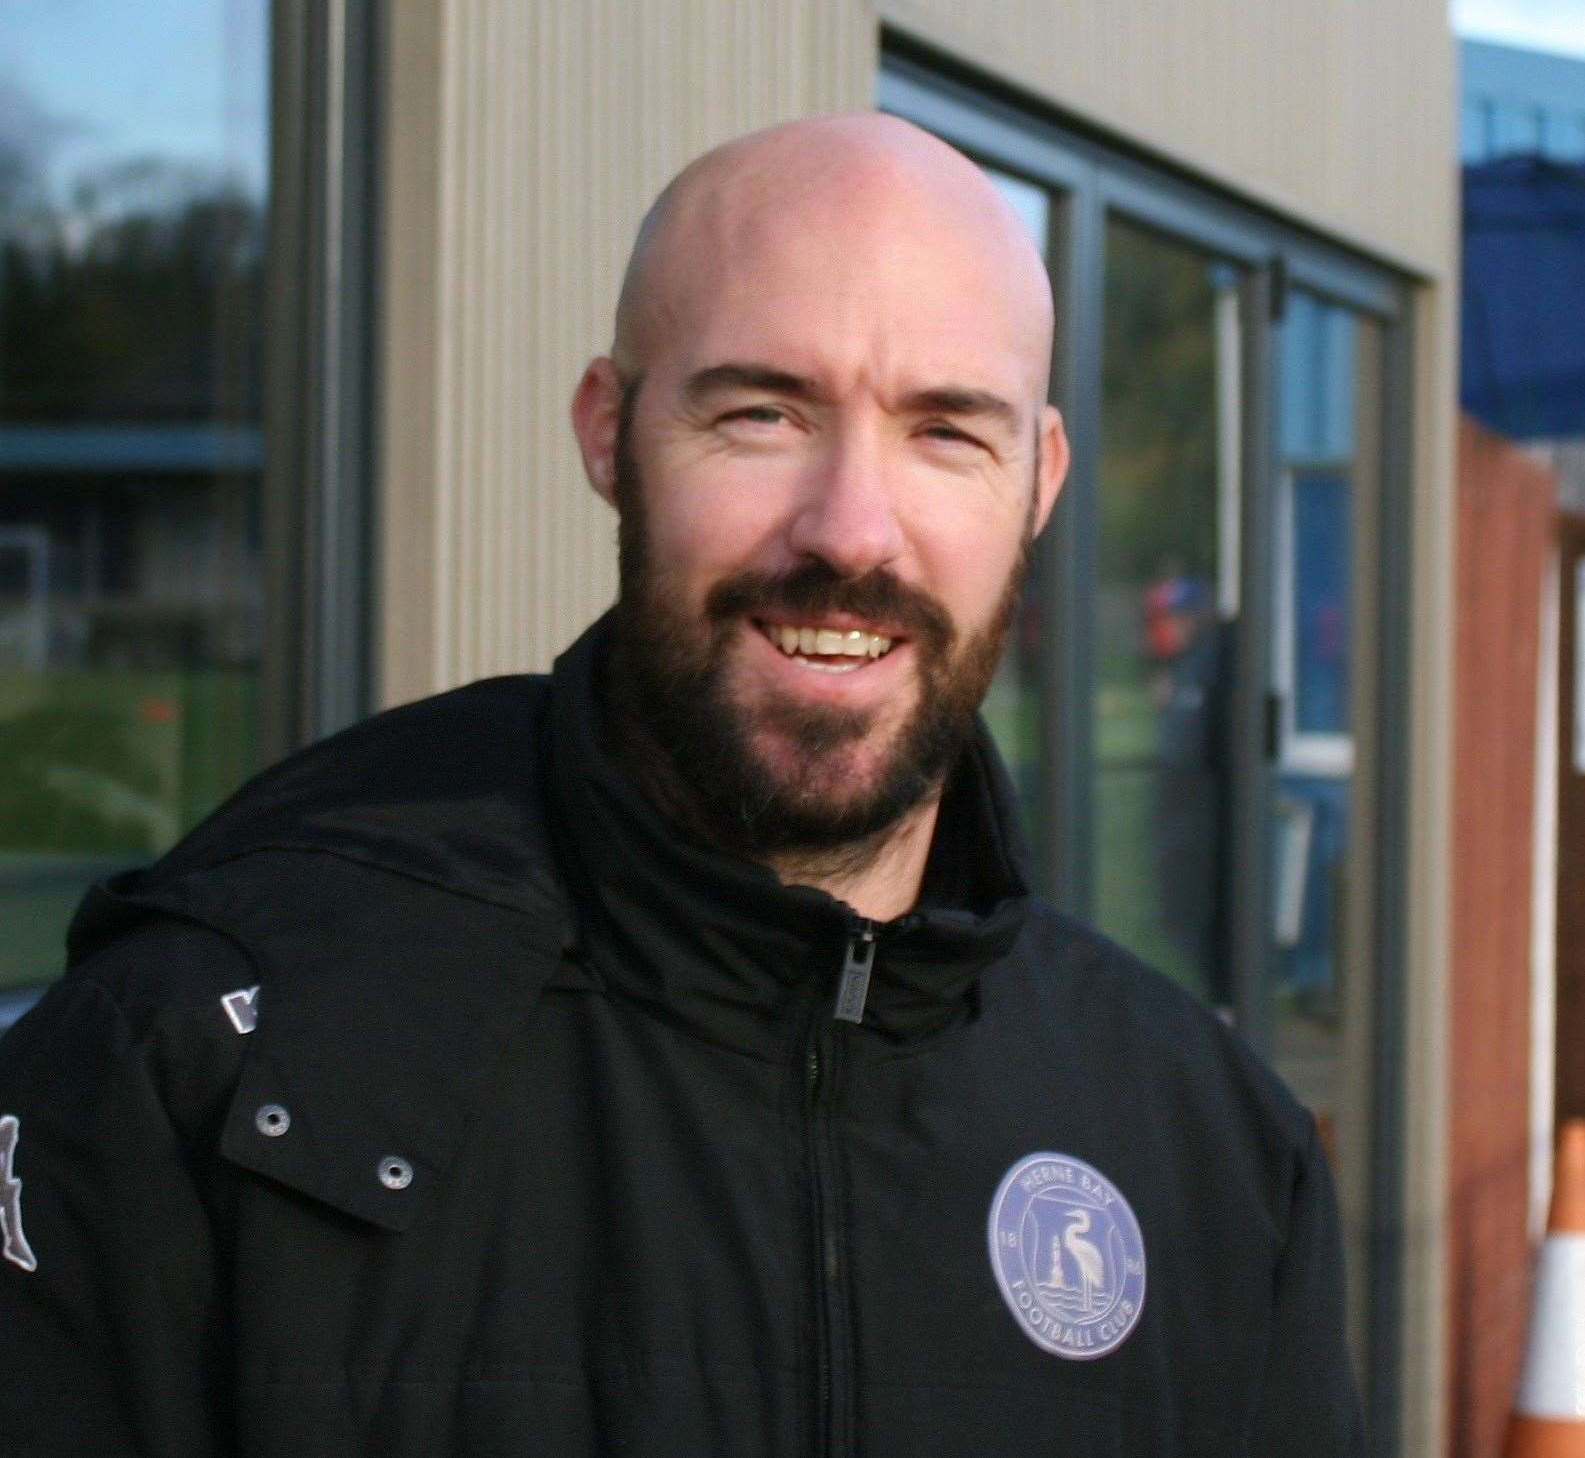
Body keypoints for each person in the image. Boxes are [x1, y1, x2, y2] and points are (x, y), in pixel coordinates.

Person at [0, 115, 1362, 1456]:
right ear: (610, 431)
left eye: (946, 431)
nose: (849, 529)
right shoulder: (194, 1061)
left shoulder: (1210, 1151)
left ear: (1039, 479)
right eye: (762, 412)